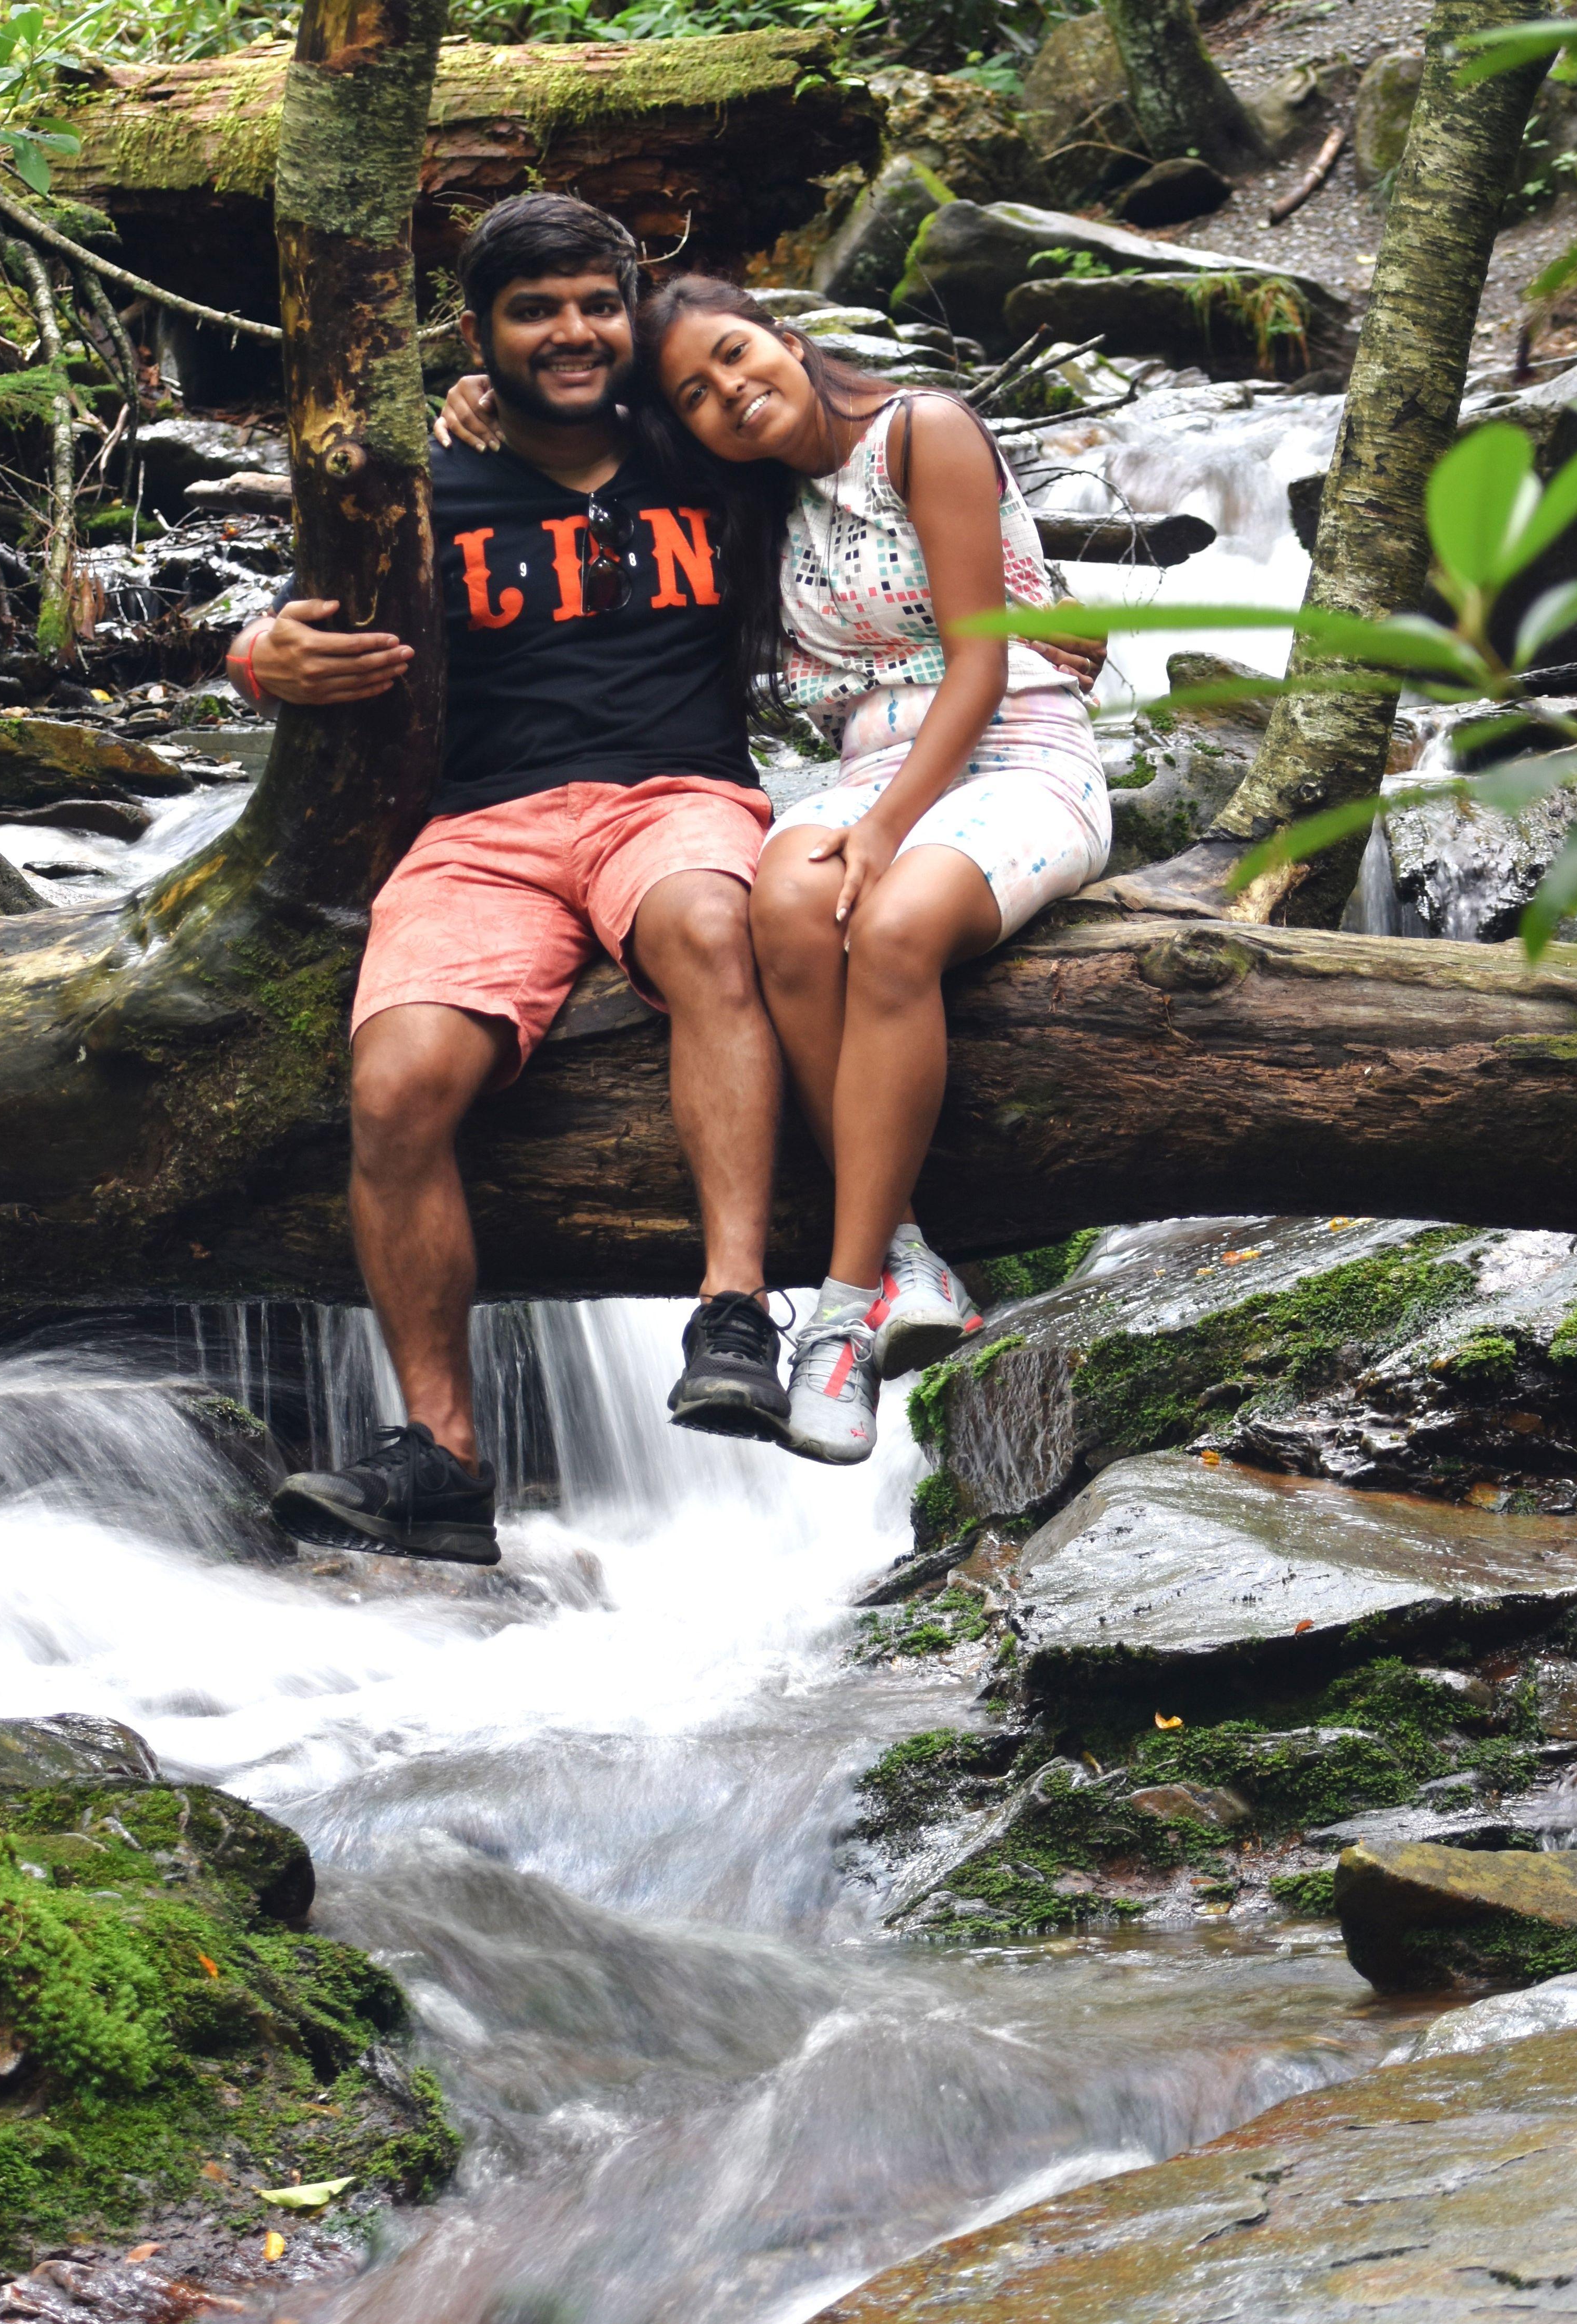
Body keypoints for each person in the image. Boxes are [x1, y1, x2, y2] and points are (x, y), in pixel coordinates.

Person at [439, 276, 1113, 1466]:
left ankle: (843, 1315)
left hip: (1016, 746)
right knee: (784, 903)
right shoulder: (751, 498)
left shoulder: (924, 429)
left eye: (739, 356)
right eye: (694, 395)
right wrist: (475, 400)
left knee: (893, 925)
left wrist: (887, 825)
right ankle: (905, 1254)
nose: (731, 394)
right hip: (873, 766)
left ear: (789, 340)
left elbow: (983, 664)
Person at [233, 196, 795, 1569]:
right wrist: (256, 660)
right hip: (482, 826)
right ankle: (439, 1458)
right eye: (534, 310)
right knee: (395, 1082)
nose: (572, 333)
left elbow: (843, 441)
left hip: (676, 797)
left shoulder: (696, 442)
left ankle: (732, 1315)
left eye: (595, 304)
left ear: (631, 310)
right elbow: (282, 627)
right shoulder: (422, 483)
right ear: (477, 337)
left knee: (714, 927)